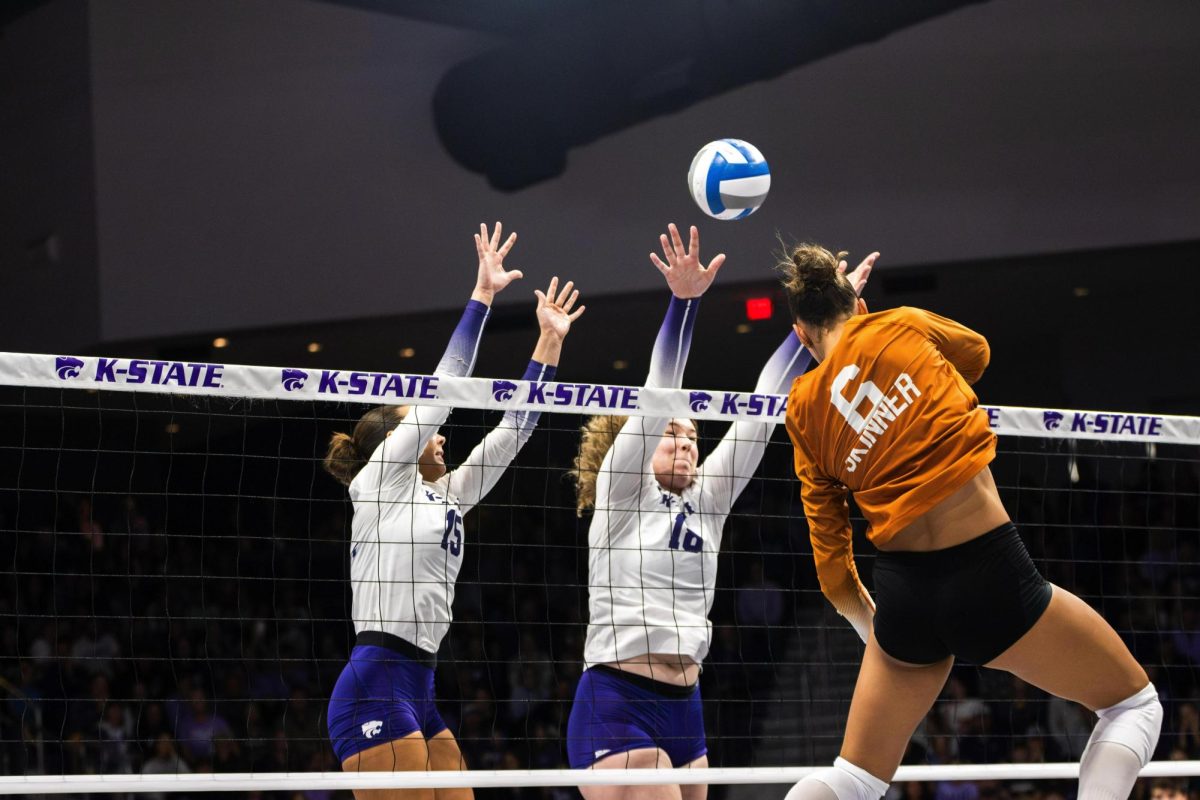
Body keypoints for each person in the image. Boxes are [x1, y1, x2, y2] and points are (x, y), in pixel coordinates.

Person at [777, 243, 1160, 800]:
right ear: (856, 304)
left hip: (903, 597)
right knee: (1133, 705)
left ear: (800, 332)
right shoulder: (898, 325)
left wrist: (874, 630)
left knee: (854, 777)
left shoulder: (801, 408)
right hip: (989, 575)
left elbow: (832, 562)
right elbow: (976, 355)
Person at [566, 224, 874, 800]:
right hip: (617, 701)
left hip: (688, 705)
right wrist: (684, 303)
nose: (685, 442)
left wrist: (829, 315)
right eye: (671, 434)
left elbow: (761, 411)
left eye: (692, 435)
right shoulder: (621, 493)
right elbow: (661, 388)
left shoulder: (706, 499)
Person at [323, 223, 585, 800]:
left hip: (419, 683)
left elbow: (514, 431)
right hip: (374, 682)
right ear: (395, 444)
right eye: (420, 425)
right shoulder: (377, 483)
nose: (438, 435)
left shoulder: (448, 496)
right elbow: (444, 390)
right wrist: (483, 296)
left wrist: (549, 341)